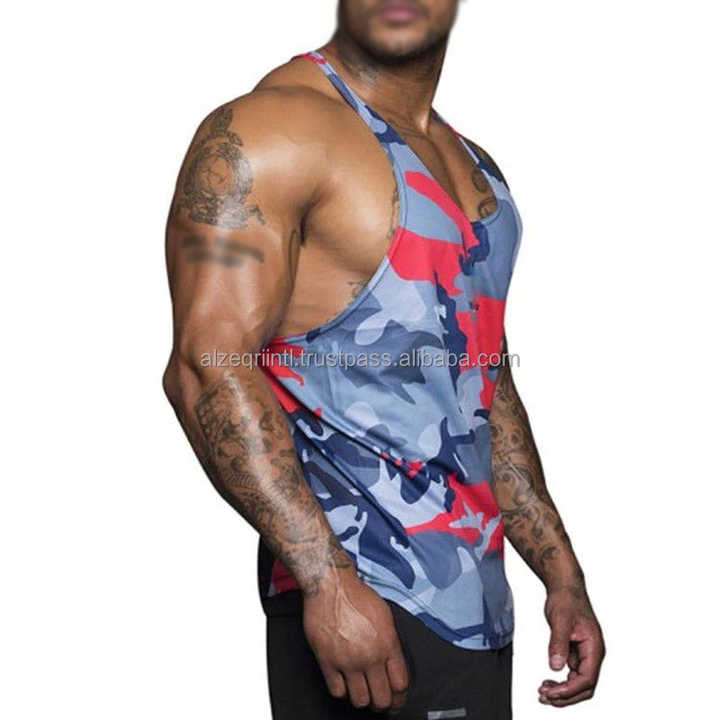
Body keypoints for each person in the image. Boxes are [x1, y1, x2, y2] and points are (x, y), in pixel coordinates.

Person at [163, 1, 605, 717]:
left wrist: (560, 573)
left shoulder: (475, 168)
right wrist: (327, 581)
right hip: (365, 606)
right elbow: (206, 367)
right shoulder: (270, 130)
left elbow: (482, 383)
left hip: (477, 608)